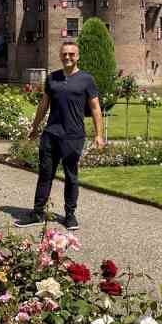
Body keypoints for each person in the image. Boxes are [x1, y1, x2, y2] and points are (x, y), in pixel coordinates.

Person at [14, 41, 104, 230]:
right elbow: (43, 105)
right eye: (64, 54)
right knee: (45, 175)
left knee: (71, 176)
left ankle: (70, 215)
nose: (68, 57)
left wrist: (99, 135)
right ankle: (37, 212)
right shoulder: (52, 78)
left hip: (73, 135)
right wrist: (35, 127)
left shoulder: (87, 79)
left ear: (77, 56)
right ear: (60, 56)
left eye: (71, 54)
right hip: (50, 134)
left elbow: (95, 109)